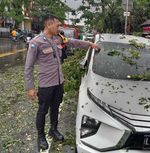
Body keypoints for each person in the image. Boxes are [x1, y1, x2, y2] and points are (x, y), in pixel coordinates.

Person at [24, 14, 100, 151]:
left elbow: (73, 42)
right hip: (45, 85)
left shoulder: (58, 38)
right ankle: (40, 137)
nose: (59, 27)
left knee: (55, 108)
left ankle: (53, 130)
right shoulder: (36, 43)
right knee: (42, 111)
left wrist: (90, 44)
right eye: (57, 25)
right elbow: (28, 67)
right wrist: (30, 87)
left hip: (59, 82)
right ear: (48, 25)